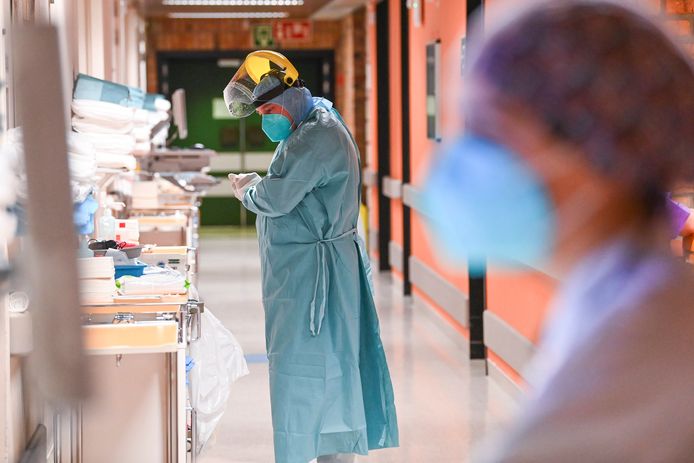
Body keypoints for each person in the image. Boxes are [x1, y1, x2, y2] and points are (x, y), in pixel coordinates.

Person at [423, 1, 694, 461]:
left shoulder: (653, 328)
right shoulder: (607, 293)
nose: (473, 159)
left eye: (495, 132)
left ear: (596, 151)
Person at [222, 51, 399, 463]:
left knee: (306, 373)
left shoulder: (316, 136)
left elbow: (278, 196)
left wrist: (247, 189)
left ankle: (319, 453)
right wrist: (261, 185)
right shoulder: (310, 124)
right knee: (324, 367)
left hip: (313, 279)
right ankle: (326, 453)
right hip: (308, 274)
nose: (266, 118)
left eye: (267, 109)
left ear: (290, 94)